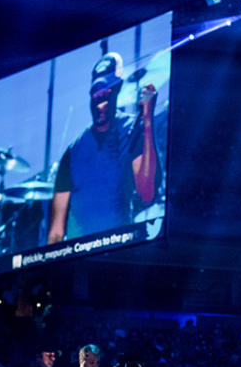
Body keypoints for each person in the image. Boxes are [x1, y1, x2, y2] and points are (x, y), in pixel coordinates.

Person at [48, 52, 160, 243]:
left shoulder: (132, 130)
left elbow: (147, 193)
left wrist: (148, 120)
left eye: (107, 94)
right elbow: (56, 232)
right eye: (97, 95)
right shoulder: (73, 152)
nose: (101, 103)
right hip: (77, 259)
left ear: (117, 92)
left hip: (120, 252)